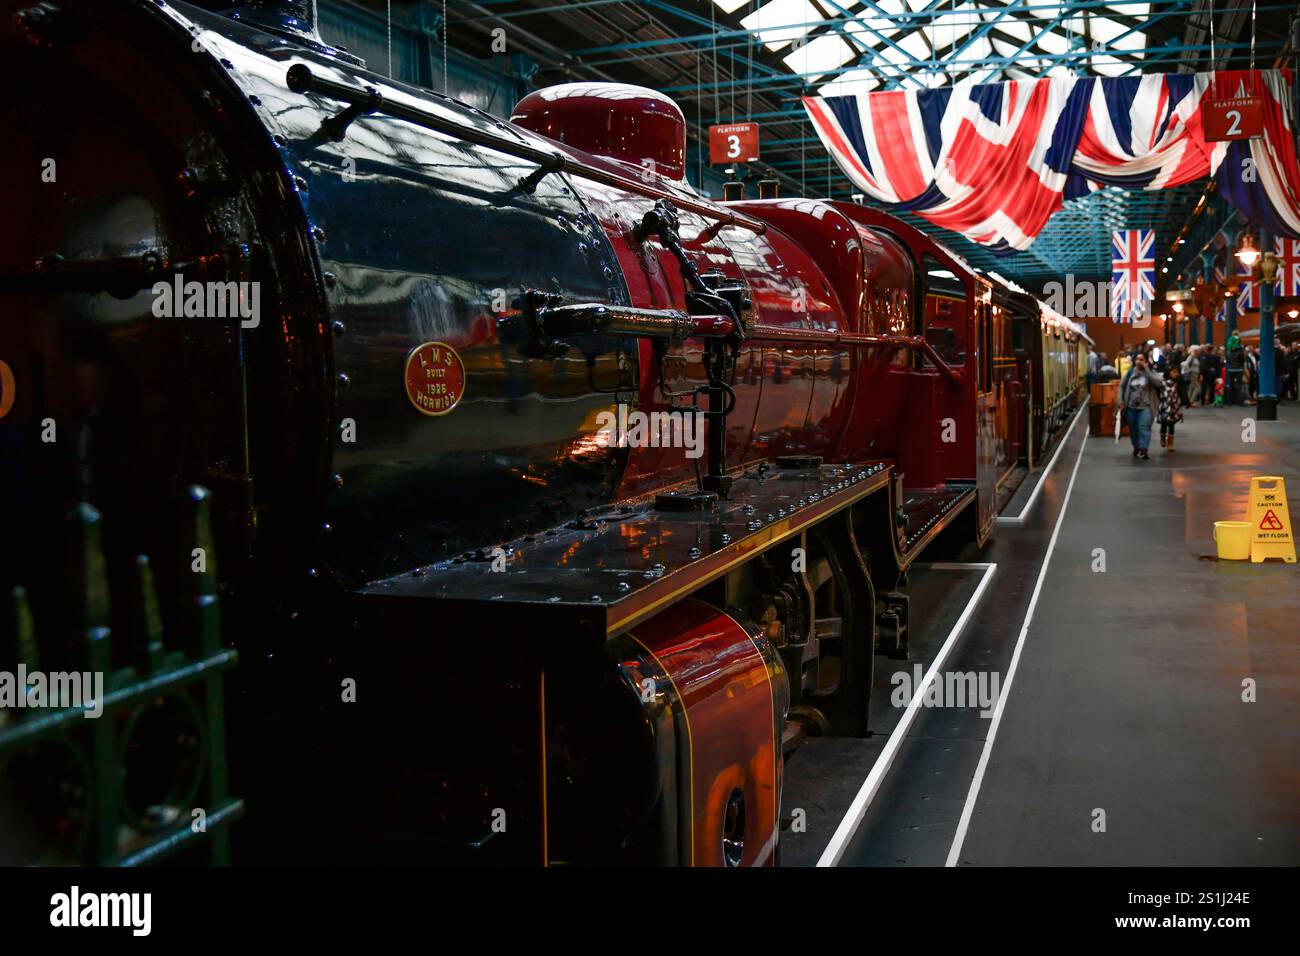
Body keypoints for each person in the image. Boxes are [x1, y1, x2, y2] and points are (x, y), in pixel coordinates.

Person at [1120, 350, 1164, 459]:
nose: (1139, 361)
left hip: (1146, 406)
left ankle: (1144, 450)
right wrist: (1120, 400)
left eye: (1141, 359)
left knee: (1143, 427)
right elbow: (1121, 386)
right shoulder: (1130, 373)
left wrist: (1147, 370)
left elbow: (1159, 382)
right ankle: (1137, 447)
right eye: (1137, 359)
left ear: (1146, 361)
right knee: (1133, 429)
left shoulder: (1150, 372)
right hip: (1131, 407)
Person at [1158, 365, 1184, 452]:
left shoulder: (1178, 382)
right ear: (1169, 372)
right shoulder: (1162, 382)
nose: (1176, 374)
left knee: (1172, 424)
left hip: (1174, 406)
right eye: (1174, 372)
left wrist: (1184, 402)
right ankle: (1162, 437)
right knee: (1164, 424)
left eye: (1177, 372)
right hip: (1165, 406)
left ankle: (1170, 443)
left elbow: (1182, 392)